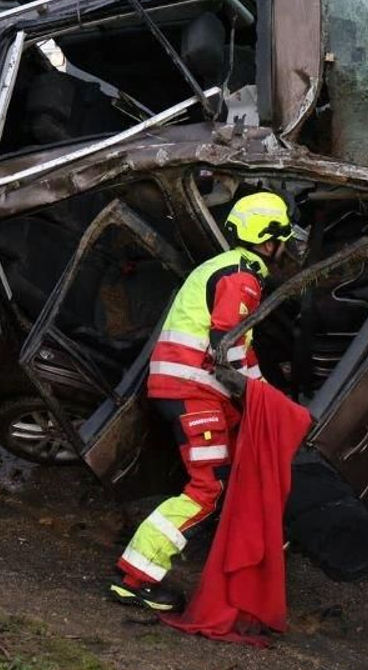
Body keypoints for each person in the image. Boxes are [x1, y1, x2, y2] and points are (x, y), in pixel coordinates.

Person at [108, 192, 294, 611]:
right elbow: (228, 345)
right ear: (269, 241)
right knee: (206, 489)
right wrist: (261, 396)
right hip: (194, 391)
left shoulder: (222, 268)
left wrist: (262, 389)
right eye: (282, 238)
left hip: (187, 387)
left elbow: (240, 350)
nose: (285, 247)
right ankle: (135, 577)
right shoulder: (242, 278)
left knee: (223, 475)